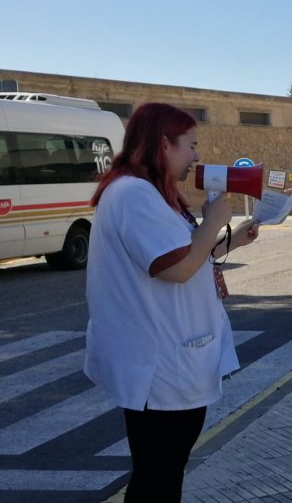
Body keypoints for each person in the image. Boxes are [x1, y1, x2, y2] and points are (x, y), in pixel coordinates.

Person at [84, 103, 260, 502]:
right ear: (164, 143)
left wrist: (229, 240)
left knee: (160, 473)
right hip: (160, 367)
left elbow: (183, 255)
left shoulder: (146, 192)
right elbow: (176, 270)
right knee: (158, 478)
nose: (196, 156)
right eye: (191, 145)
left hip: (165, 361)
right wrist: (214, 221)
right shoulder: (134, 194)